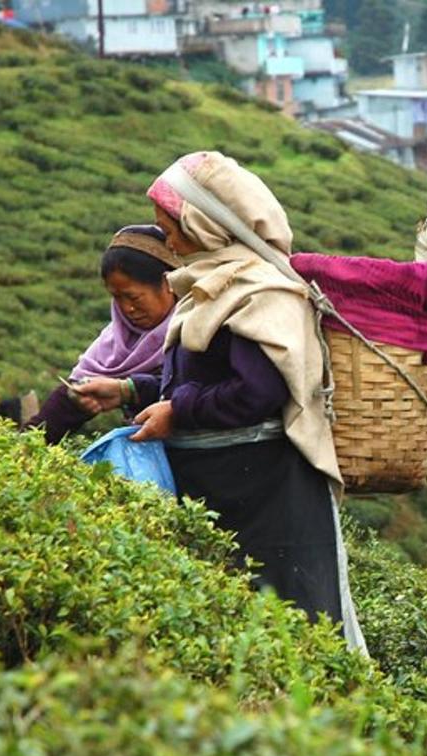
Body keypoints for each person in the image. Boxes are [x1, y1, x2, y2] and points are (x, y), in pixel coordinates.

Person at [73, 151, 365, 653]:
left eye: (173, 227)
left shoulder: (262, 292)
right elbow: (204, 378)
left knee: (292, 635)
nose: (168, 240)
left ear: (207, 223)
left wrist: (178, 411)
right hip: (228, 491)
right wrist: (132, 392)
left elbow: (258, 392)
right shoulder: (209, 284)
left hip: (269, 497)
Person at [23, 225, 179, 444]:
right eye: (117, 298)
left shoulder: (194, 331)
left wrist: (130, 390)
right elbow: (72, 396)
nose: (127, 309)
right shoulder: (116, 340)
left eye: (133, 297)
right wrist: (25, 444)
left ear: (168, 283)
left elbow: (193, 392)